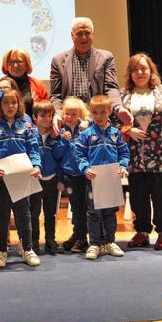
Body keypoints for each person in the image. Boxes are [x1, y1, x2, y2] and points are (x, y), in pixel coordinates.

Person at [120, 53, 162, 250]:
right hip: (134, 155)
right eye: (135, 69)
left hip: (159, 154)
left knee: (161, 196)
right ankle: (142, 232)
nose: (140, 72)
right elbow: (113, 123)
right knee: (138, 196)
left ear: (151, 70)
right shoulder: (123, 95)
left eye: (144, 68)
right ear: (130, 73)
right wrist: (128, 130)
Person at [0, 86, 42, 268]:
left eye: (13, 102)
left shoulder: (25, 128)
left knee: (24, 214)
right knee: (2, 215)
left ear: (19, 105)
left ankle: (27, 247)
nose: (10, 106)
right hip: (1, 180)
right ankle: (1, 251)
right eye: (6, 103)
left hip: (22, 179)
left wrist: (37, 166)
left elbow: (34, 149)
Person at [50, 17, 133, 132]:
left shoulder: (106, 58)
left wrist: (118, 108)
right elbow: (56, 95)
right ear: (72, 35)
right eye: (79, 33)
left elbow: (111, 88)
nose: (84, 37)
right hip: (69, 123)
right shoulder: (58, 60)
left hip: (97, 121)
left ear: (93, 34)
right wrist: (58, 114)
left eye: (87, 33)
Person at [74, 95, 129, 260]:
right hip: (94, 179)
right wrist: (85, 168)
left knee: (110, 211)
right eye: (95, 113)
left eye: (102, 112)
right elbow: (80, 155)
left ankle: (110, 241)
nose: (99, 116)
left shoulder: (116, 134)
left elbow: (124, 153)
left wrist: (123, 166)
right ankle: (95, 243)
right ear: (90, 113)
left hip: (111, 179)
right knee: (94, 212)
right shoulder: (86, 135)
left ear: (110, 112)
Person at [29, 100, 68, 254]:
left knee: (50, 212)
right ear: (34, 117)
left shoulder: (56, 136)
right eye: (42, 115)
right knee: (34, 212)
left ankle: (50, 240)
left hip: (52, 179)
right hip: (34, 180)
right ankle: (33, 241)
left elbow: (59, 158)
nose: (46, 118)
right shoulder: (29, 134)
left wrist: (59, 179)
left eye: (49, 115)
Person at [0, 48, 48, 127]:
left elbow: (48, 110)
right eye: (11, 62)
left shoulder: (38, 85)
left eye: (19, 61)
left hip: (30, 132)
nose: (15, 65)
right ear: (6, 65)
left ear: (27, 64)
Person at [59, 96, 91, 253]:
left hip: (85, 175)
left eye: (73, 114)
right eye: (67, 114)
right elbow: (57, 154)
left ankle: (82, 238)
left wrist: (89, 124)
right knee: (76, 207)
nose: (69, 117)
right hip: (69, 175)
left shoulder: (85, 129)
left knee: (86, 207)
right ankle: (78, 235)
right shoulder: (61, 131)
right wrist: (63, 141)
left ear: (81, 115)